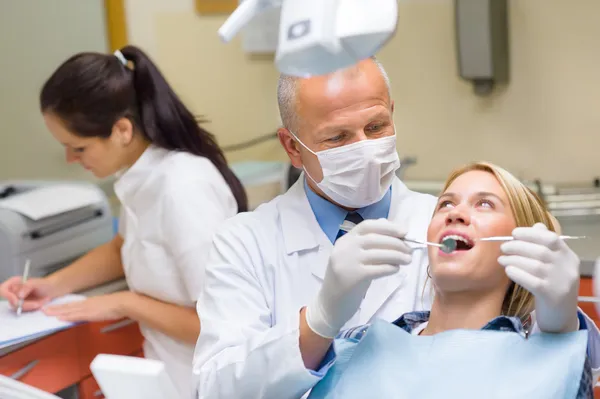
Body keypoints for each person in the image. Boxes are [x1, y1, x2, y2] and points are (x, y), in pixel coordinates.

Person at [192, 57, 600, 399]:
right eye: (336, 138)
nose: (363, 149)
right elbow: (214, 388)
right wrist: (319, 320)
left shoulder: (441, 228)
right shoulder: (245, 242)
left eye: (375, 128)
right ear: (293, 148)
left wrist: (562, 315)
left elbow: (565, 371)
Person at [0, 46, 247, 398]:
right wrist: (51, 285)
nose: (70, 159)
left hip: (207, 385)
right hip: (168, 375)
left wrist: (125, 303)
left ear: (122, 130)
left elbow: (220, 324)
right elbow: (123, 249)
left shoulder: (183, 189)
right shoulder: (144, 175)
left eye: (79, 148)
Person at [306, 161, 593, 398]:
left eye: (484, 204)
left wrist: (562, 328)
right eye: (445, 204)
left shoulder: (546, 367)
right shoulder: (357, 343)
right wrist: (325, 310)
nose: (456, 214)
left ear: (522, 246)